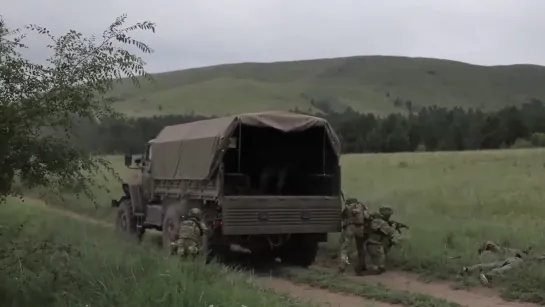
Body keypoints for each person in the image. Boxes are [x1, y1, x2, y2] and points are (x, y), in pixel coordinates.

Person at [462, 241, 542, 285]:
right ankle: (487, 276)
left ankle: (468, 269)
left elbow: (503, 251)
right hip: (516, 260)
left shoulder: (518, 252)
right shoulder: (526, 255)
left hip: (510, 258)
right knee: (503, 268)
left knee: (493, 265)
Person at [338, 198, 369, 275]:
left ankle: (342, 268)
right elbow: (367, 217)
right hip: (360, 228)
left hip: (350, 228)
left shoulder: (347, 208)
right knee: (360, 248)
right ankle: (361, 267)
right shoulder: (362, 206)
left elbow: (341, 217)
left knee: (345, 248)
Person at [365, 206, 399, 274]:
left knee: (372, 257)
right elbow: (389, 231)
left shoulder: (374, 219)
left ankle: (370, 267)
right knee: (381, 255)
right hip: (375, 242)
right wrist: (393, 226)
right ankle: (377, 268)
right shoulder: (382, 222)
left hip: (369, 241)